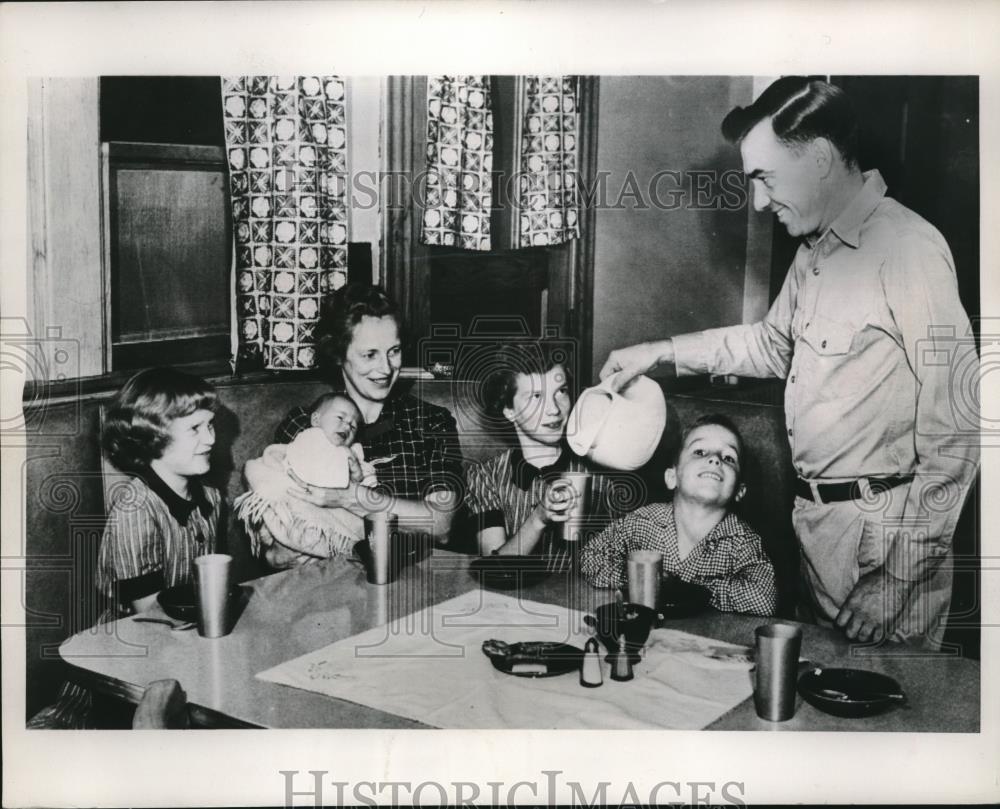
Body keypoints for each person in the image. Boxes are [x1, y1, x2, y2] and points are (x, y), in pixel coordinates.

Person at [600, 77, 979, 646]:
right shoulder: (813, 254)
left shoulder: (907, 249)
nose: (758, 201)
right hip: (820, 528)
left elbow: (961, 429)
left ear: (821, 159)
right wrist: (661, 352)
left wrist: (896, 580)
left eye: (765, 178)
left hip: (886, 540)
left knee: (884, 717)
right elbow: (770, 345)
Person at [28, 368, 224, 728]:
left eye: (210, 425)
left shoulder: (210, 498)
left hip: (183, 642)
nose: (210, 438)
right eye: (195, 429)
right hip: (126, 655)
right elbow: (147, 611)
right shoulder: (135, 508)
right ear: (151, 438)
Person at [270, 283, 463, 564]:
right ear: (338, 354)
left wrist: (349, 497)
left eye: (394, 351)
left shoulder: (431, 422)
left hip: (410, 581)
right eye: (369, 354)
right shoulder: (303, 424)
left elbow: (441, 523)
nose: (385, 368)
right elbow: (278, 521)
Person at [580, 415, 777, 615]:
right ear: (672, 477)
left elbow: (764, 599)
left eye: (728, 458)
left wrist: (693, 590)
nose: (715, 459)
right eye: (699, 452)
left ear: (739, 491)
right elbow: (590, 556)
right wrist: (635, 577)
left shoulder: (742, 541)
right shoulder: (643, 522)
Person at [464, 341, 627, 569]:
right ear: (509, 410)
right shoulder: (485, 477)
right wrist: (538, 518)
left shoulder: (601, 474)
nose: (554, 409)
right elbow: (494, 567)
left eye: (561, 392)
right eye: (536, 397)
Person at [236, 393, 378, 567]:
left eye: (353, 426)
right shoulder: (310, 438)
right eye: (340, 418)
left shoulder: (353, 452)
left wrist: (357, 473)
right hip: (299, 508)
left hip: (333, 520)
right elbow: (310, 473)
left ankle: (339, 547)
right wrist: (343, 460)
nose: (347, 426)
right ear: (316, 420)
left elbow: (367, 488)